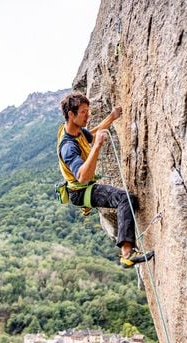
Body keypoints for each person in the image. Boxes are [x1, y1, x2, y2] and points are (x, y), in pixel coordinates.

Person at [57, 91, 154, 268]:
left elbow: (92, 134)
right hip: (81, 191)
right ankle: (127, 254)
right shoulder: (68, 147)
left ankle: (127, 251)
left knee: (126, 199)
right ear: (71, 115)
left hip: (81, 188)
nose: (88, 115)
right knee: (125, 199)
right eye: (83, 112)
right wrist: (98, 146)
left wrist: (112, 116)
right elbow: (83, 177)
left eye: (88, 111)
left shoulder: (75, 131)